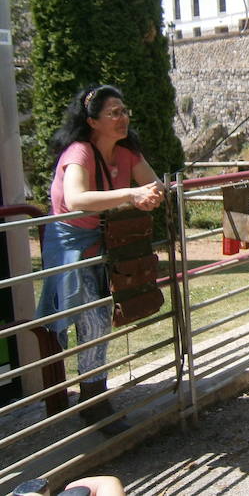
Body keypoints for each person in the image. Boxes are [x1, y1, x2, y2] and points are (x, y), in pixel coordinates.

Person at [36, 84, 164, 436]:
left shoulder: (127, 151)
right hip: (73, 245)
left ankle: (93, 398)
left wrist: (150, 196)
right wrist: (131, 194)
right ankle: (90, 402)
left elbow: (153, 184)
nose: (122, 118)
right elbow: (76, 198)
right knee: (88, 320)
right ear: (93, 121)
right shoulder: (78, 152)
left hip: (111, 242)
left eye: (124, 111)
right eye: (114, 113)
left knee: (99, 320)